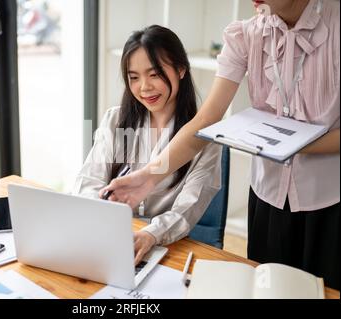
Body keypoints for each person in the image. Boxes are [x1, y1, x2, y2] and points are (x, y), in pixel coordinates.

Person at [101, 0, 340, 290]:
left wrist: (288, 143)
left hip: (331, 198)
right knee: (266, 290)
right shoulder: (246, 35)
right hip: (268, 195)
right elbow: (207, 119)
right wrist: (148, 176)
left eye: (154, 74)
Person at [73, 25, 222, 265]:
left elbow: (188, 208)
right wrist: (99, 212)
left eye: (154, 74)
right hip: (110, 236)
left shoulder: (205, 139)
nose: (144, 87)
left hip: (165, 246)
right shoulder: (115, 120)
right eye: (134, 77)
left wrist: (151, 234)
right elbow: (89, 181)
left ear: (181, 69)